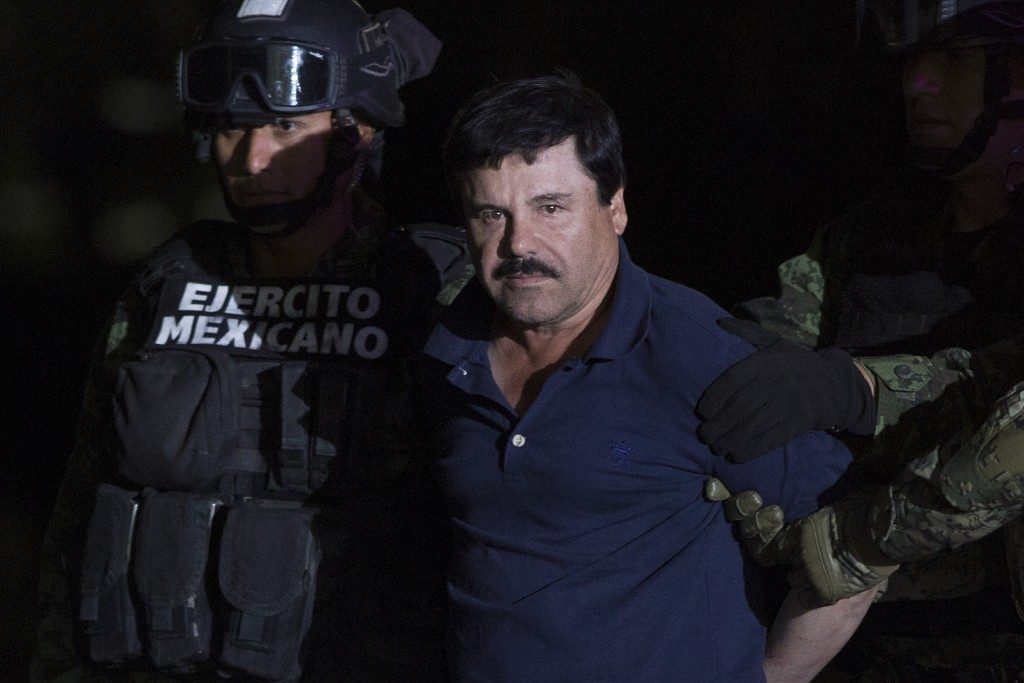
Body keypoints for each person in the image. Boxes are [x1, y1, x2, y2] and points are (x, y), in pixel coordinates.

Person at [32, 1, 466, 680]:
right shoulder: (169, 282)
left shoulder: (434, 289)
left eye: (286, 126)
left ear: (356, 132)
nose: (254, 158)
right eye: (233, 128)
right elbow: (81, 512)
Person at [416, 72, 872, 682]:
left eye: (551, 207)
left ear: (615, 208)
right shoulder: (446, 352)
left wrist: (768, 677)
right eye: (491, 215)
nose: (519, 242)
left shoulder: (698, 357)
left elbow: (862, 542)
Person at [696, 0, 1024, 676]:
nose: (919, 84)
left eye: (955, 60)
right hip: (845, 628)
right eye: (912, 62)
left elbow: (993, 396)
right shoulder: (879, 228)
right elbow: (777, 328)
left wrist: (854, 389)